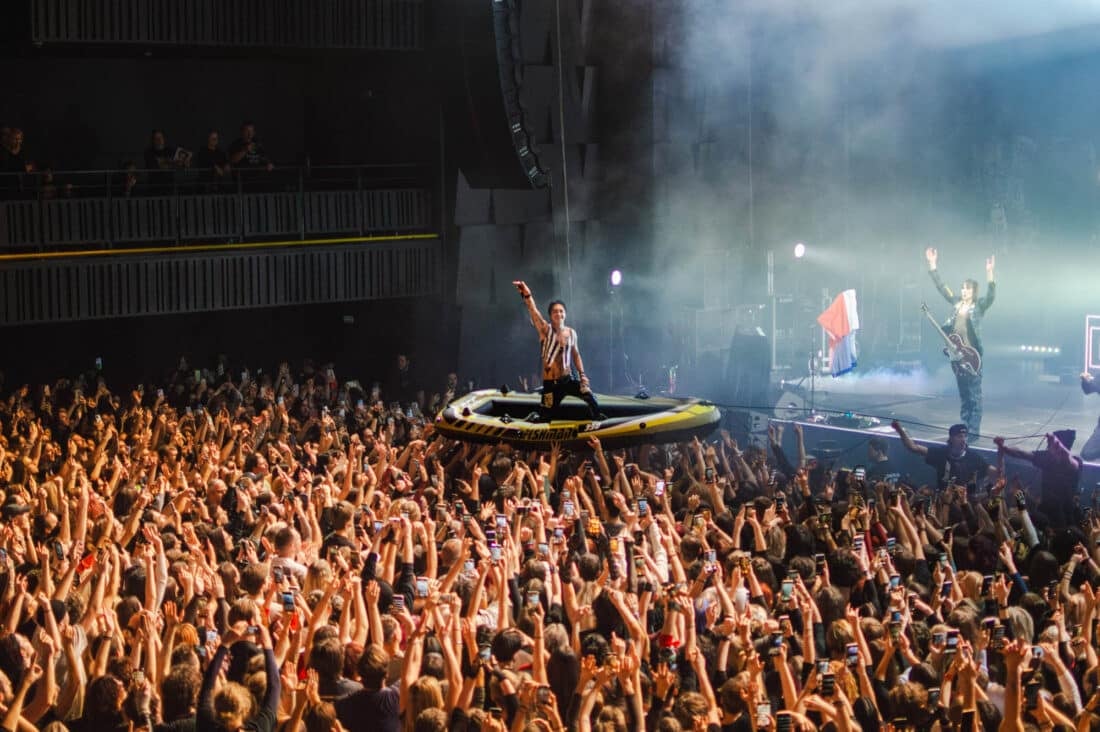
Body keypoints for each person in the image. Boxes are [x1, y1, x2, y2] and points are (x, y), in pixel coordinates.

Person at [925, 247, 995, 437]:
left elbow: (990, 297)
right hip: (957, 356)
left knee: (974, 395)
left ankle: (974, 431)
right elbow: (942, 288)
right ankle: (965, 428)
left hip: (972, 356)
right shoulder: (957, 304)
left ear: (973, 292)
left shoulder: (978, 307)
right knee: (964, 394)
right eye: (963, 288)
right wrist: (933, 265)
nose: (964, 291)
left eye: (968, 288)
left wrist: (990, 274)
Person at [512, 280, 604, 422]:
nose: (558, 314)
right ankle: (535, 419)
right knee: (545, 417)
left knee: (591, 398)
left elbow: (576, 355)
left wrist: (582, 375)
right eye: (555, 311)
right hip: (550, 384)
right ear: (550, 315)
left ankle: (599, 423)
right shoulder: (545, 330)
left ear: (565, 314)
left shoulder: (572, 333)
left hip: (567, 380)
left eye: (561, 311)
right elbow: (533, 310)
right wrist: (527, 294)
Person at [994, 430, 1082, 527]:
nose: (1048, 447)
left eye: (1051, 445)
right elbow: (1022, 454)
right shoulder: (1048, 458)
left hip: (1064, 512)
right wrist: (1004, 448)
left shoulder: (1076, 462)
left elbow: (1068, 460)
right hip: (1046, 508)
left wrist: (1056, 443)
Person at [891, 420, 993, 492]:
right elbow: (913, 447)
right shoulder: (941, 453)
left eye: (965, 437)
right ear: (951, 438)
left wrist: (1001, 452)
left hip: (966, 502)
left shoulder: (973, 457)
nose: (963, 440)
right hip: (943, 499)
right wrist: (900, 430)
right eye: (959, 436)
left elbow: (994, 471)